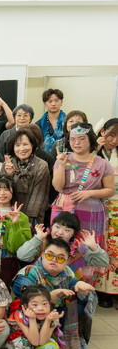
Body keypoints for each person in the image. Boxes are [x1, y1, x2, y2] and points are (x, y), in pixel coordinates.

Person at [12, 238, 97, 349]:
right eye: (50, 255)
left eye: (60, 258)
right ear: (42, 255)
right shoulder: (28, 273)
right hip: (27, 318)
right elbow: (27, 301)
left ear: (67, 261)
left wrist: (80, 287)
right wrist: (51, 297)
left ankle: (69, 344)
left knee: (82, 298)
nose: (54, 260)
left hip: (52, 316)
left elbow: (75, 285)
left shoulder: (67, 272)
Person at [52, 122, 115, 285]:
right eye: (73, 139)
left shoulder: (102, 163)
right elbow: (58, 187)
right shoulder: (63, 159)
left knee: (87, 245)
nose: (76, 143)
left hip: (91, 212)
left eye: (81, 139)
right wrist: (61, 165)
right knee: (62, 243)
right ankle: (58, 283)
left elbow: (110, 190)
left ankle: (84, 289)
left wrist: (89, 193)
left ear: (90, 140)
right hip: (64, 208)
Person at [1, 129, 51, 224]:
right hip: (8, 213)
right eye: (17, 145)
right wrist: (9, 175)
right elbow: (1, 190)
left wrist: (29, 220)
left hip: (32, 216)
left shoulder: (41, 165)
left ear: (32, 145)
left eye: (25, 144)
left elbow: (39, 195)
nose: (22, 149)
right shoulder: (7, 164)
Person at [95, 118, 118, 308]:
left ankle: (114, 289)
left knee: (115, 248)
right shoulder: (94, 151)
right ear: (103, 132)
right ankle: (101, 290)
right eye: (111, 135)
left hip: (117, 206)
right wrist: (95, 148)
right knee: (101, 246)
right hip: (99, 205)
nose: (114, 140)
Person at [36, 88, 66, 153]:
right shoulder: (38, 124)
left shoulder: (68, 122)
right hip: (44, 157)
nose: (53, 104)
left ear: (61, 102)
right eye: (50, 101)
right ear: (45, 104)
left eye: (56, 101)